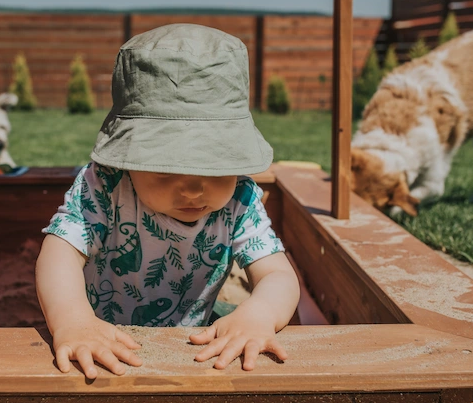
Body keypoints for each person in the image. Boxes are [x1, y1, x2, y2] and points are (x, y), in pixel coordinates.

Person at [35, 23, 300, 379]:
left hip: (187, 345)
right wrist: (72, 319)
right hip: (100, 331)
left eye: (215, 169)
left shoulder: (240, 196)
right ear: (129, 159)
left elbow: (278, 275)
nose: (192, 190)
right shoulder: (106, 184)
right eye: (165, 170)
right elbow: (59, 252)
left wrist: (260, 314)